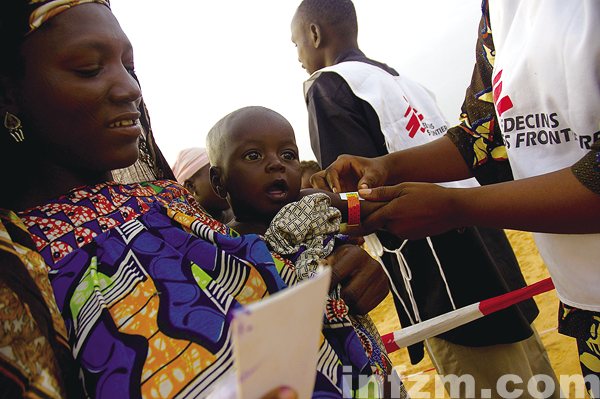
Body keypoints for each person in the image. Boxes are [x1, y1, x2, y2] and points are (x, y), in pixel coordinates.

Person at [0, 1, 387, 397]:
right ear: (9, 92)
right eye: (89, 68)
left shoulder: (168, 204)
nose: (131, 88)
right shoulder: (19, 270)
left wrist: (342, 269)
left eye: (129, 66)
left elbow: (271, 275)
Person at [312, 1, 600, 398]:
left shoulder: (328, 86)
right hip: (569, 291)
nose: (298, 58)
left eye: (295, 46)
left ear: (313, 36)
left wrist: (454, 207)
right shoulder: (493, 17)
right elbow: (480, 134)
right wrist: (388, 166)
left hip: (448, 289)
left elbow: (365, 208)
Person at [205, 105, 404, 396]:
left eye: (287, 155)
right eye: (253, 155)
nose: (276, 164)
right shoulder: (225, 245)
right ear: (218, 181)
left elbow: (376, 208)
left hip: (360, 346)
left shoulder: (315, 202)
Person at [171, 147, 233, 223]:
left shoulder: (243, 216)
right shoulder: (182, 231)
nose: (228, 179)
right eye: (217, 176)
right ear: (191, 187)